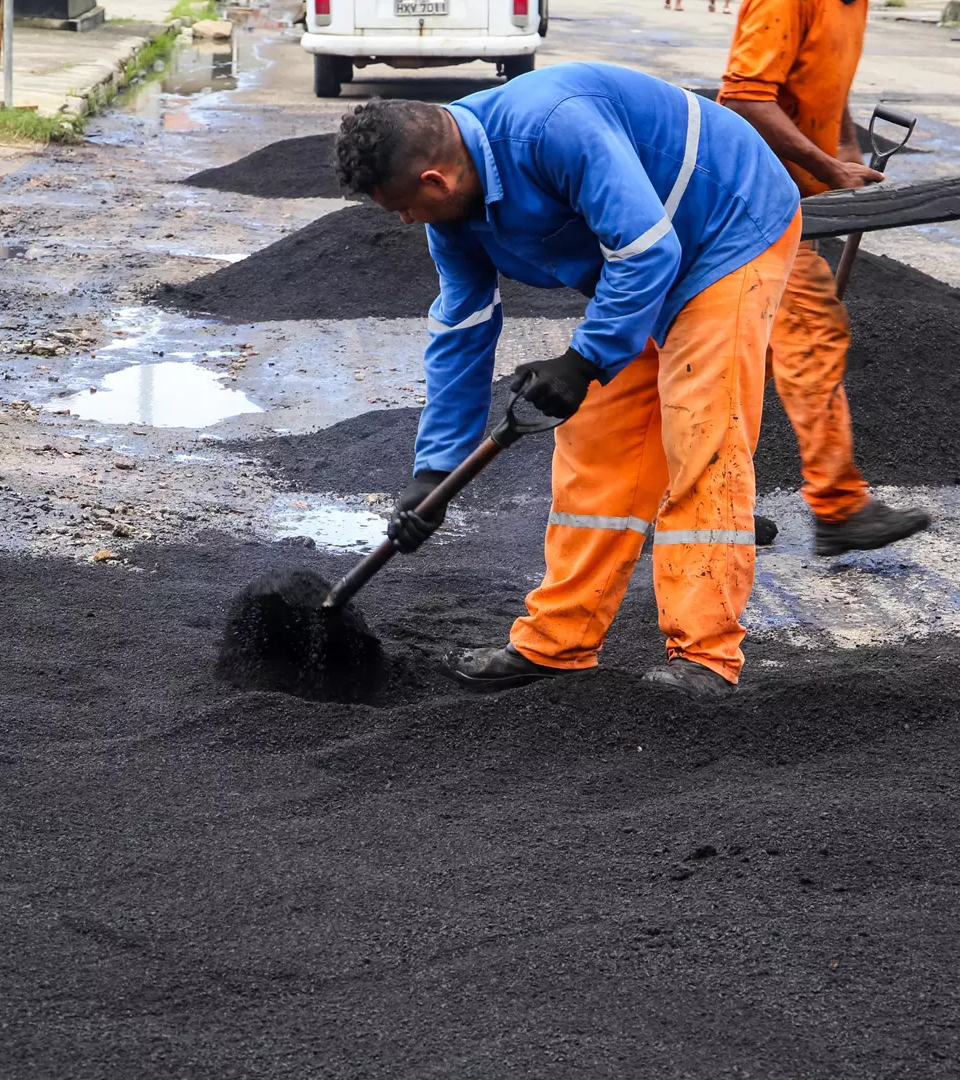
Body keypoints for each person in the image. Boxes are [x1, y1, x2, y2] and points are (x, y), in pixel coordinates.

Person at [333, 63, 803, 699]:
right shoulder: (454, 215)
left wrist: (584, 361)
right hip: (639, 262)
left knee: (701, 433)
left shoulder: (551, 125)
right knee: (597, 443)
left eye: (404, 207)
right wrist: (432, 475)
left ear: (434, 179)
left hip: (722, 230)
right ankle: (559, 641)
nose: (405, 222)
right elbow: (461, 332)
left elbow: (648, 252)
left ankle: (705, 655)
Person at [718, 0, 931, 556]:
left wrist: (843, 150)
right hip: (751, 202)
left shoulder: (851, 4)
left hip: (792, 206)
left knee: (743, 357)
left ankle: (699, 498)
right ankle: (839, 507)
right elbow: (743, 98)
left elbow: (820, 86)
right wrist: (828, 167)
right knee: (812, 334)